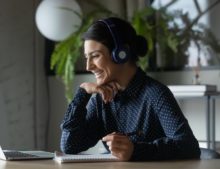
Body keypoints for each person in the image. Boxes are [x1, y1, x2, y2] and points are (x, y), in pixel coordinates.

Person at [60, 17, 201, 161]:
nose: (88, 67)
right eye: (87, 58)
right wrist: (82, 94)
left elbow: (188, 146)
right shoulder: (100, 100)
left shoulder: (156, 94)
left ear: (121, 54)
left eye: (95, 56)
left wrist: (135, 150)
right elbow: (69, 146)